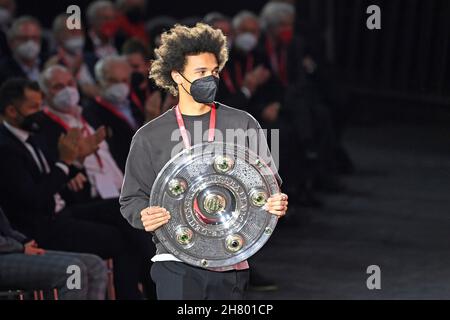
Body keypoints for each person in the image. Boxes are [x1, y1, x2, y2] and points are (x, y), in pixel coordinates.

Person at [120, 23, 288, 300]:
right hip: (174, 261)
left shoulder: (243, 123)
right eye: (200, 73)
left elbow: (268, 182)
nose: (210, 79)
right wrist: (143, 215)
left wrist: (275, 200)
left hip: (232, 260)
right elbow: (132, 198)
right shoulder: (149, 136)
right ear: (176, 76)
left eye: (214, 72)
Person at [0, 78, 150, 299]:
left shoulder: (34, 136)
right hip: (41, 225)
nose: (39, 112)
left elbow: (53, 177)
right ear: (12, 111)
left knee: (126, 209)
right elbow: (34, 199)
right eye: (33, 107)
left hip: (61, 212)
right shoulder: (5, 148)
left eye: (40, 105)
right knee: (119, 239)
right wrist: (65, 164)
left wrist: (77, 161)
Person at [0, 207, 107, 300]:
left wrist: (24, 241)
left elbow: (6, 229)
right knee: (73, 270)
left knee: (95, 265)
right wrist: (21, 247)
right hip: (5, 253)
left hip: (12, 248)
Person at [84, 55, 145, 171]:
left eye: (124, 80)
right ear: (99, 82)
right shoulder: (91, 112)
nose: (120, 86)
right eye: (113, 81)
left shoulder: (137, 101)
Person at [0, 16, 45, 85]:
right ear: (11, 42)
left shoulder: (47, 65)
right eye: (24, 38)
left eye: (34, 38)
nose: (30, 43)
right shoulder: (2, 71)